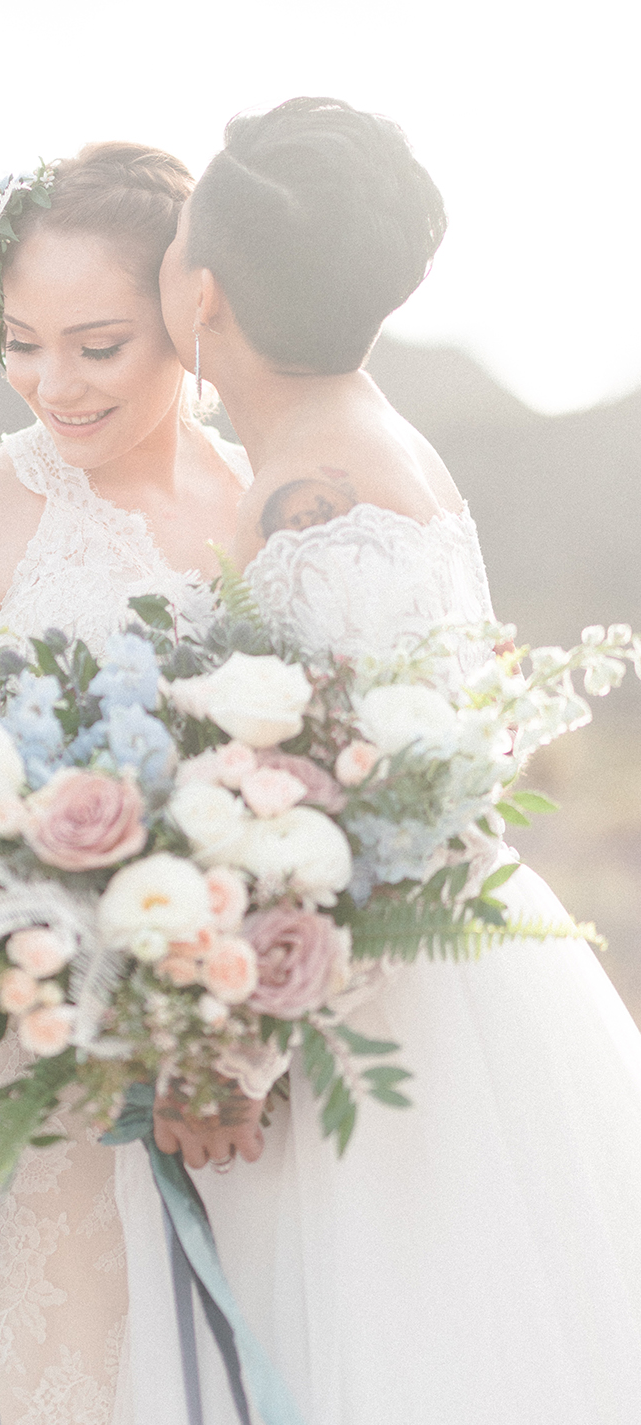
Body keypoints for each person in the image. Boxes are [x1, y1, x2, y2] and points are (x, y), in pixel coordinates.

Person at [126, 96, 641, 1423]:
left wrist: (222, 1050)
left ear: (206, 297)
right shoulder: (346, 438)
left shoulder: (319, 497)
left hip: (358, 985)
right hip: (439, 949)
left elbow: (329, 804)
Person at [0, 141, 252, 1424]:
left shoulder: (260, 503)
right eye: (22, 342)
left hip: (237, 1088)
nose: (51, 385)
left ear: (193, 316)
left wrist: (227, 1034)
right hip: (32, 1090)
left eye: (96, 344)